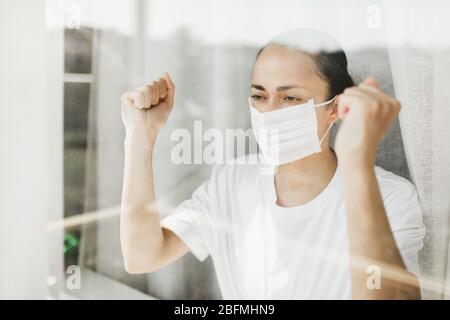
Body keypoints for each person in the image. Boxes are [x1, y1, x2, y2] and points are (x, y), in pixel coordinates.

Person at [119, 28, 425, 299]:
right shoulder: (234, 180)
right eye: (259, 96)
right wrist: (140, 138)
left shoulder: (390, 197)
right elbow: (141, 256)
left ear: (335, 108)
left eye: (290, 98)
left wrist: (358, 163)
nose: (270, 112)